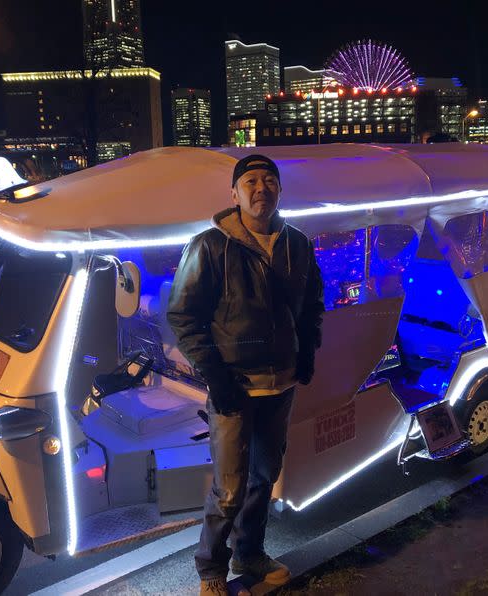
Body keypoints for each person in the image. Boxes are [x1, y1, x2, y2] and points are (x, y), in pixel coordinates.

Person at [167, 154, 325, 596]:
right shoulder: (209, 245)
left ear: (279, 190)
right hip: (233, 385)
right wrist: (214, 375)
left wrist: (307, 348)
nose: (261, 188)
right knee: (230, 487)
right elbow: (183, 314)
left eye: (270, 180)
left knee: (263, 477)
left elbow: (313, 303)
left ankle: (250, 553)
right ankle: (211, 568)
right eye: (250, 180)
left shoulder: (298, 244)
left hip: (282, 383)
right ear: (233, 194)